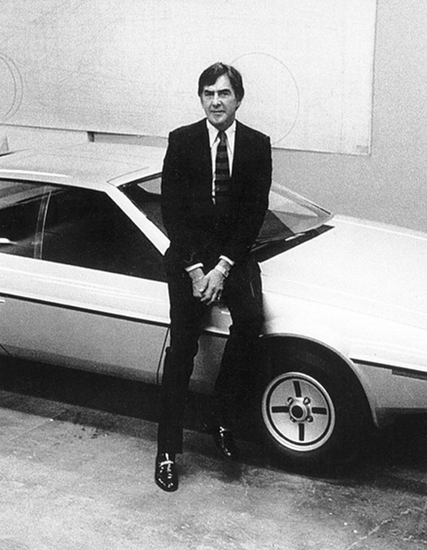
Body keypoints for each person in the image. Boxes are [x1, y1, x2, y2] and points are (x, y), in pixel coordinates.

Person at [154, 62, 272, 492]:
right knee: (182, 346)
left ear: (238, 98)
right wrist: (195, 270)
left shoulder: (257, 145)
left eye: (223, 93)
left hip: (232, 258)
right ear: (201, 98)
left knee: (251, 322)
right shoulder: (182, 140)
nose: (216, 102)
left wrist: (222, 267)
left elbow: (253, 214)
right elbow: (171, 210)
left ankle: (220, 415)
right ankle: (167, 452)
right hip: (189, 258)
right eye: (208, 94)